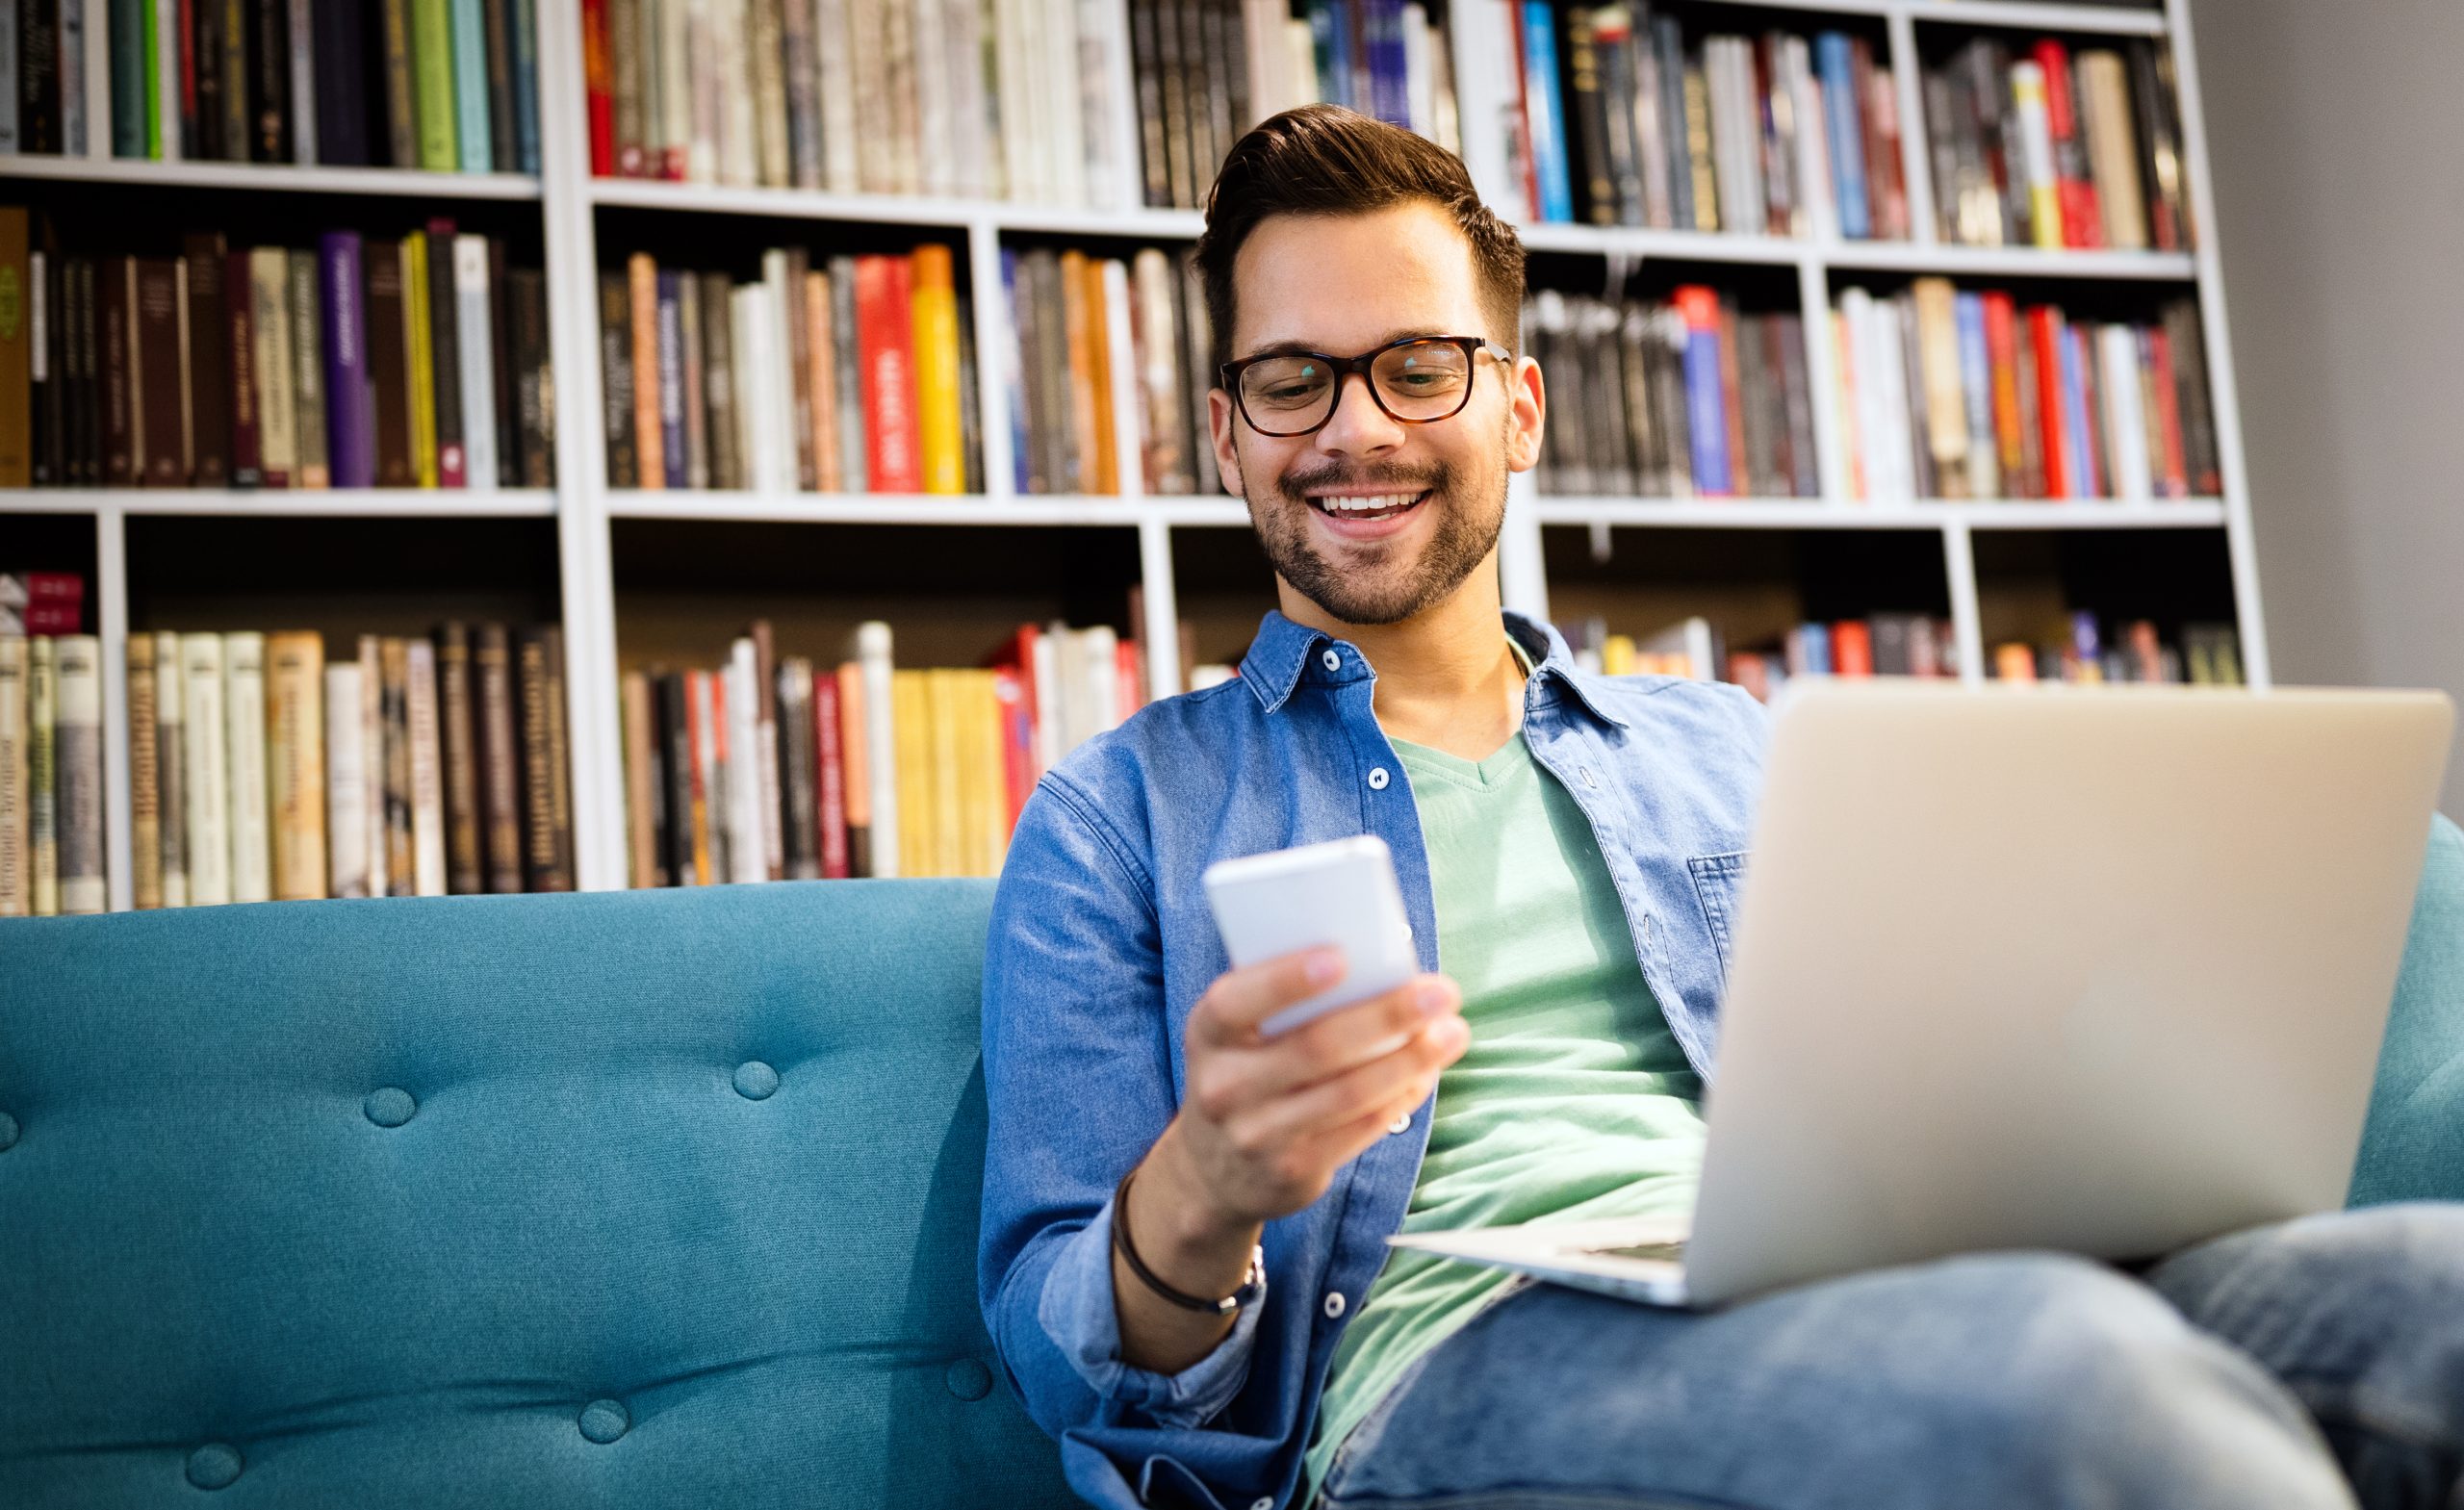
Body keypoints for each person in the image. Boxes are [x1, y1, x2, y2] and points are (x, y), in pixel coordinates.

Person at [976, 103, 2464, 1510]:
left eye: (1419, 365)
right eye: (1293, 377)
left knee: (2434, 1295)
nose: (1355, 429)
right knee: (2075, 1385)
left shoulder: (1735, 746)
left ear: (1518, 405)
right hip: (1444, 1362)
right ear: (1229, 433)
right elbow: (1062, 1355)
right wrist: (1205, 1190)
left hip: (1858, 1286)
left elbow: (1920, 1087)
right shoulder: (1120, 816)